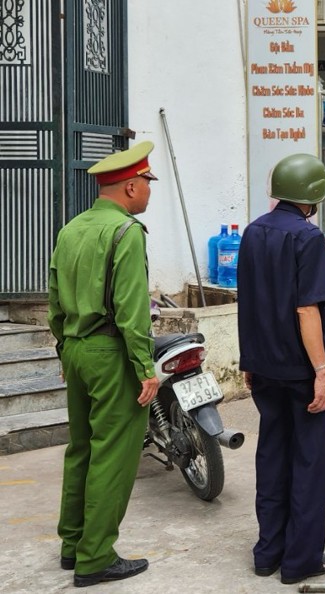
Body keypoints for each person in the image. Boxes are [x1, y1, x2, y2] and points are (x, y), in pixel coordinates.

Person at [48, 142, 160, 587]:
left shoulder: (71, 229)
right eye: (147, 184)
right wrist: (146, 368)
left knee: (81, 450)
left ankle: (72, 545)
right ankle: (95, 559)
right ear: (131, 186)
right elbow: (132, 312)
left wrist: (64, 347)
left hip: (75, 349)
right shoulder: (126, 232)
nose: (149, 192)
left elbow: (54, 299)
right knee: (113, 455)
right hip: (111, 354)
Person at [238, 154, 325, 585]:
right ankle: (300, 562)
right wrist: (321, 371)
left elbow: (248, 300)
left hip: (263, 368)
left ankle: (268, 553)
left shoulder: (252, 232)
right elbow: (306, 310)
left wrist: (249, 360)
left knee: (273, 456)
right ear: (314, 196)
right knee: (311, 464)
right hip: (300, 371)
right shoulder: (307, 237)